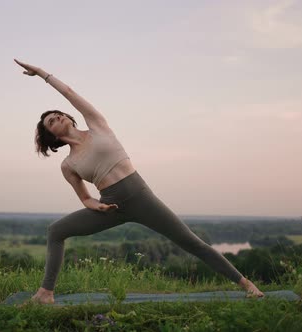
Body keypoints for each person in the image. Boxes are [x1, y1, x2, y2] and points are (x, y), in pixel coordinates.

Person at [14, 58, 265, 304]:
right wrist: (98, 207)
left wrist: (42, 73)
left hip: (141, 197)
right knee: (55, 231)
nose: (57, 117)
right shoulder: (68, 165)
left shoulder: (97, 125)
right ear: (51, 136)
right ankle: (46, 293)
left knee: (191, 242)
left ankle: (247, 285)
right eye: (51, 121)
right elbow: (85, 198)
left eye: (58, 114)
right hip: (112, 205)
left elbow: (69, 92)